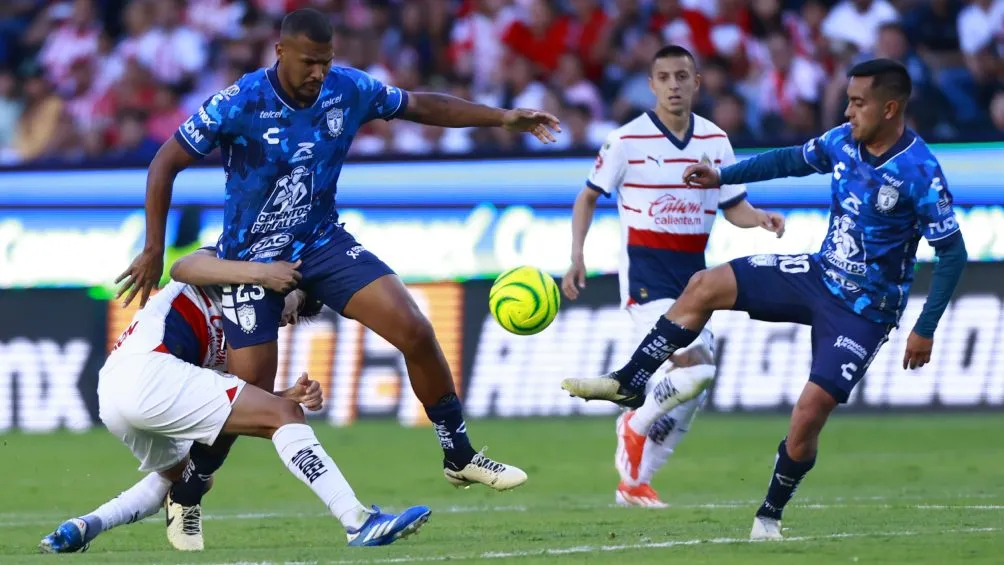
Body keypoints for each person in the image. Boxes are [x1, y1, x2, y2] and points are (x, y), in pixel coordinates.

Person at [113, 8, 560, 549]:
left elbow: (420, 105)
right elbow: (165, 162)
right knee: (248, 393)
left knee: (415, 329)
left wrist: (501, 117)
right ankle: (187, 492)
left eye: (326, 62)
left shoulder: (347, 89)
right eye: (308, 63)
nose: (319, 73)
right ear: (280, 54)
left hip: (323, 243)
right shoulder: (240, 102)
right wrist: (155, 247)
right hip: (252, 259)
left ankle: (459, 455)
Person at [561, 58, 967, 539]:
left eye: (859, 103)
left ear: (890, 107)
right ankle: (631, 381)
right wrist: (723, 177)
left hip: (866, 310)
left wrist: (925, 327)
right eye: (849, 99)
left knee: (808, 417)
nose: (848, 110)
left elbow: (953, 254)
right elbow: (790, 160)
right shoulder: (841, 140)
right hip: (818, 274)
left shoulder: (920, 171)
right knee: (704, 286)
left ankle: (768, 516)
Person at [40, 249, 431, 553]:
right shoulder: (240, 259)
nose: (289, 319)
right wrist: (262, 273)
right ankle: (358, 521)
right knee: (283, 416)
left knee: (186, 477)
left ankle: (84, 526)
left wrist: (280, 397)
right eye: (297, 306)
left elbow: (227, 401)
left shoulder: (242, 330)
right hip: (146, 372)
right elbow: (182, 267)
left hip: (120, 392)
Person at [560, 45, 785, 508]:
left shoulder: (716, 141)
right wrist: (576, 256)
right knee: (697, 368)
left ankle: (635, 481)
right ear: (651, 84)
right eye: (664, 77)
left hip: (696, 283)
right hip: (647, 283)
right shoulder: (626, 141)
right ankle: (634, 424)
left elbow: (732, 206)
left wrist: (759, 217)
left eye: (683, 76)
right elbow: (587, 197)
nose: (674, 85)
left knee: (691, 393)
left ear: (697, 82)